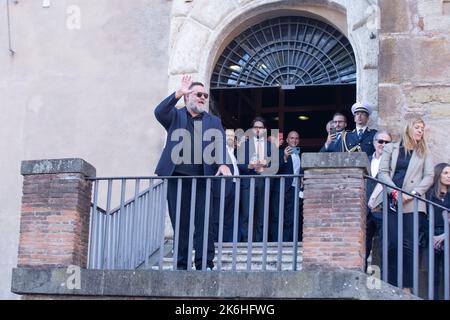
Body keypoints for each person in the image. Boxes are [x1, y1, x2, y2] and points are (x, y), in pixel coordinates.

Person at [154, 75, 231, 270]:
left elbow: (220, 144)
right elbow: (159, 112)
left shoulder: (213, 121)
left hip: (203, 181)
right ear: (189, 96)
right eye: (199, 94)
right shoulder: (176, 116)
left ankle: (204, 265)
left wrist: (223, 164)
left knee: (205, 224)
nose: (203, 98)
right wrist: (178, 93)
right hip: (177, 180)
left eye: (205, 95)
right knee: (181, 225)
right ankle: (181, 266)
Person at [377, 114, 434, 293]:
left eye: (422, 129)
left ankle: (407, 288)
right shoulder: (391, 148)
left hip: (413, 203)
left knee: (409, 245)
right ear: (409, 128)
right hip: (392, 201)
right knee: (392, 243)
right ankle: (391, 286)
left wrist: (413, 194)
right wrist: (395, 192)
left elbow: (429, 176)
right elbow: (383, 172)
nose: (420, 131)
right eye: (417, 127)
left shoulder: (423, 152)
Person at [365, 130, 393, 271]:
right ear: (374, 142)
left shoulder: (393, 162)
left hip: (384, 209)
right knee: (363, 247)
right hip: (365, 210)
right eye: (380, 141)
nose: (383, 144)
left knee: (385, 247)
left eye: (387, 142)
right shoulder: (366, 160)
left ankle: (386, 282)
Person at [270, 131, 304, 242]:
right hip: (280, 189)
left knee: (291, 218)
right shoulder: (280, 152)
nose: (294, 140)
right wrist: (284, 157)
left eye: (296, 138)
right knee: (277, 217)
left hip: (295, 189)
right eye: (292, 138)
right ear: (287, 140)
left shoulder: (300, 155)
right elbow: (275, 170)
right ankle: (276, 243)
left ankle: (287, 243)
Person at [426, 163, 450, 299]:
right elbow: (423, 217)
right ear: (438, 174)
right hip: (431, 235)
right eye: (445, 173)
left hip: (448, 236)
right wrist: (432, 237)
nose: (449, 176)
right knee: (433, 274)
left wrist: (444, 235)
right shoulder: (429, 194)